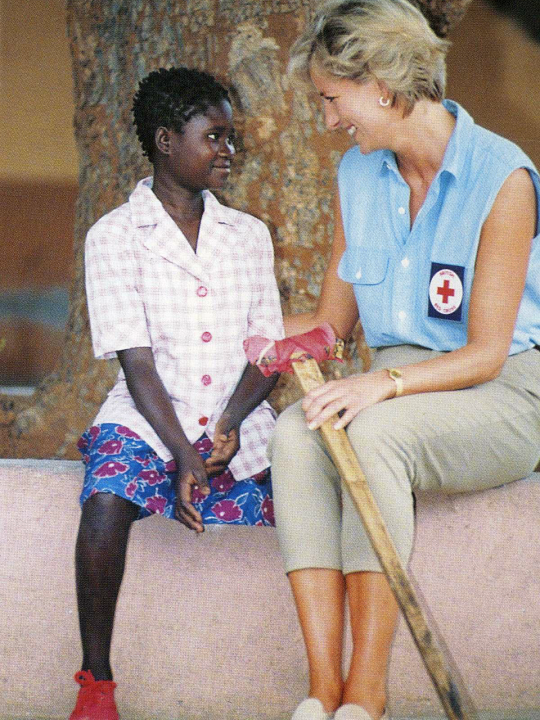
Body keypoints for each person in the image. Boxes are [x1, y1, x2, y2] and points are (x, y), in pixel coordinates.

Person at [268, 1, 540, 719]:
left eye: (333, 99)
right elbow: (331, 323)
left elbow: (484, 352)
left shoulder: (503, 178)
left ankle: (368, 694)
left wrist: (383, 384)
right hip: (394, 388)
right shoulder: (359, 177)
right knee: (296, 434)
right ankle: (321, 692)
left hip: (503, 393)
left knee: (374, 433)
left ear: (382, 85)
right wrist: (245, 327)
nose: (329, 120)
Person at [70, 66, 283, 720]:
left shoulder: (247, 236)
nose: (229, 151)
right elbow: (136, 363)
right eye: (213, 137)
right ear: (166, 141)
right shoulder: (113, 237)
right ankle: (97, 683)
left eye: (231, 138)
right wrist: (182, 455)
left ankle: (325, 680)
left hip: (237, 423)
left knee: (311, 494)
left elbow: (268, 351)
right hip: (148, 418)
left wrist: (230, 425)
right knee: (106, 498)